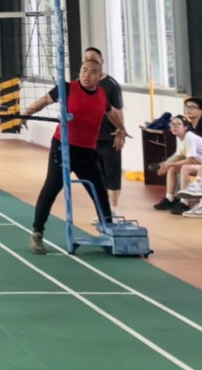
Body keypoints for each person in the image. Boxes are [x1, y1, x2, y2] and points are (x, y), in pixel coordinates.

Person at [19, 59, 128, 254]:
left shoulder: (102, 95)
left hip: (87, 152)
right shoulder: (67, 88)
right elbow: (43, 101)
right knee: (51, 189)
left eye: (92, 72)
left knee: (100, 193)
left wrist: (121, 129)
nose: (87, 75)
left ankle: (109, 234)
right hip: (63, 148)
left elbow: (111, 112)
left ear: (99, 76)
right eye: (84, 70)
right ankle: (37, 233)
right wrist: (25, 113)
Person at [153, 116, 202, 216]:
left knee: (185, 168)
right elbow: (178, 155)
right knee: (172, 169)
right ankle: (169, 199)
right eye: (172, 124)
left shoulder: (189, 137)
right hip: (201, 164)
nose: (174, 126)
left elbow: (190, 160)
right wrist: (165, 166)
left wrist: (169, 164)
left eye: (178, 124)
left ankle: (184, 203)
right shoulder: (179, 137)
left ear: (185, 127)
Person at [85, 48, 125, 209]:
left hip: (109, 137)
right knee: (96, 176)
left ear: (101, 62)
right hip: (90, 139)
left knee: (112, 175)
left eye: (94, 58)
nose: (90, 60)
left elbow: (119, 111)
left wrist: (120, 133)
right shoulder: (82, 83)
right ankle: (102, 210)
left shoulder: (111, 85)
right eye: (87, 58)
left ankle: (113, 211)